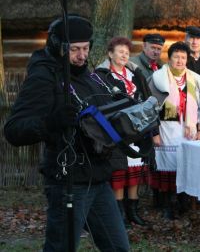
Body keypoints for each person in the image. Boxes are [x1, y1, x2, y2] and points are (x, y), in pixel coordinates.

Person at [3, 16, 129, 251]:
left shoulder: (89, 76)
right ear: (58, 47)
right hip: (68, 181)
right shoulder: (44, 77)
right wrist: (51, 122)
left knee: (118, 248)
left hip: (98, 177)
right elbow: (14, 130)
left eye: (85, 48)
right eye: (74, 50)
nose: (82, 56)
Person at [147, 41, 200, 219]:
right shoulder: (159, 78)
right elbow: (150, 108)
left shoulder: (193, 79)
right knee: (167, 166)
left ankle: (183, 202)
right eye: (176, 57)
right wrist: (154, 132)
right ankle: (167, 204)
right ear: (170, 58)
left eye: (183, 57)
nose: (180, 60)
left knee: (186, 164)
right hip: (166, 128)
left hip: (187, 129)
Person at [94, 36, 152, 227]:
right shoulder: (102, 76)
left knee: (135, 170)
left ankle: (132, 211)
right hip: (116, 130)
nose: (124, 55)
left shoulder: (136, 75)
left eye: (127, 53)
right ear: (110, 54)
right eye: (120, 52)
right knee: (119, 170)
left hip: (137, 129)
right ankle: (118, 214)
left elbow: (147, 99)